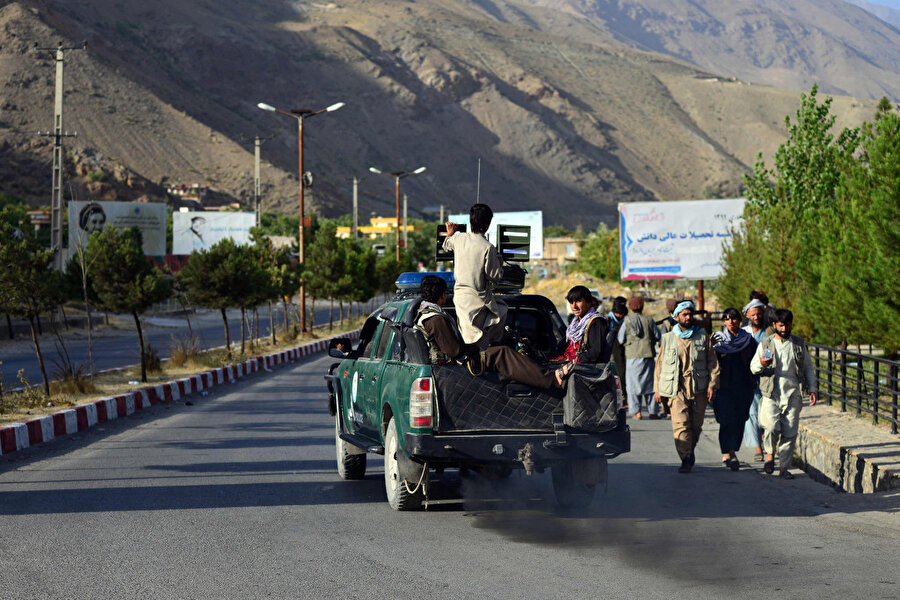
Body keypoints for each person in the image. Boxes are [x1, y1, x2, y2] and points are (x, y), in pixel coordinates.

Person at [414, 275, 571, 389]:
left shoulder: (425, 313)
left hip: (455, 360)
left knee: (496, 347)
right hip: (455, 364)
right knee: (502, 353)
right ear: (442, 295)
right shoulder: (435, 318)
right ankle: (551, 378)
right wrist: (476, 347)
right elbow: (453, 351)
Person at [653, 300, 720, 473]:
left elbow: (712, 363)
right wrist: (657, 389)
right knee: (681, 425)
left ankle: (689, 450)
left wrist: (713, 384)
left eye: (690, 314)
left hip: (699, 388)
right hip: (676, 389)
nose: (688, 317)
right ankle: (686, 457)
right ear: (676, 317)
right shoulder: (668, 338)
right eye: (684, 314)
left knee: (695, 426)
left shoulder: (702, 336)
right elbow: (659, 366)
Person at [750, 309, 817, 479]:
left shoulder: (798, 344)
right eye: (781, 325)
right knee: (772, 426)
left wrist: (813, 389)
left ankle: (784, 468)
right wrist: (762, 364)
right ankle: (770, 454)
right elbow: (753, 367)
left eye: (788, 325)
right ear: (774, 325)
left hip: (793, 393)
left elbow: (808, 367)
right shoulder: (766, 344)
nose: (785, 328)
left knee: (790, 431)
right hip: (771, 392)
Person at [443, 204, 506, 350]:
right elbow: (495, 277)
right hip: (479, 302)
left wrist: (450, 232)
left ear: (471, 221)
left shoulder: (458, 239)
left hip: (460, 300)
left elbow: (446, 245)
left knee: (470, 340)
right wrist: (500, 265)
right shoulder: (488, 247)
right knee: (501, 311)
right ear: (488, 224)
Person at [711, 308, 758, 471]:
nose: (731, 322)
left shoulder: (748, 341)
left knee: (740, 420)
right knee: (726, 420)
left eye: (734, 319)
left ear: (740, 321)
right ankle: (728, 452)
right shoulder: (717, 342)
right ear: (724, 322)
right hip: (723, 388)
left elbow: (755, 361)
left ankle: (732, 450)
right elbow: (709, 362)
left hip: (743, 387)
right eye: (727, 319)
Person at [618, 296, 661, 419]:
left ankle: (637, 412)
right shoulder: (649, 320)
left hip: (632, 358)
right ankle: (653, 412)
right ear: (642, 307)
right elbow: (658, 336)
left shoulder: (626, 321)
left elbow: (621, 339)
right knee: (651, 385)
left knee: (632, 386)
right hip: (648, 357)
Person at [741, 298, 769, 461]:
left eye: (759, 314)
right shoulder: (744, 333)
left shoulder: (769, 333)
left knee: (766, 410)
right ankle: (758, 446)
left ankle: (766, 440)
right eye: (753, 314)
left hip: (766, 377)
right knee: (751, 412)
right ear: (748, 316)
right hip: (748, 379)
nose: (757, 317)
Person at [558, 285, 611, 364]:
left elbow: (594, 353)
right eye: (571, 302)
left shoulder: (596, 322)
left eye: (578, 301)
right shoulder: (576, 323)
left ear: (588, 302)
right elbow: (563, 345)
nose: (574, 306)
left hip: (584, 367)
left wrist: (572, 360)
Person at [607, 296, 628, 405]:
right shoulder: (608, 320)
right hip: (611, 352)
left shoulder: (623, 320)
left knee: (622, 376)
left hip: (621, 351)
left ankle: (623, 399)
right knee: (615, 376)